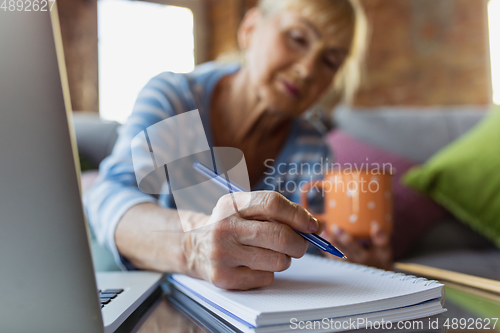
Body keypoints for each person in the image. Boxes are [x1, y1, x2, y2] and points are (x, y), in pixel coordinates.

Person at [85, 0, 391, 291]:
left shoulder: (312, 148)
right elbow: (109, 196)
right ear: (250, 29)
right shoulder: (176, 100)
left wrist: (355, 262)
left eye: (329, 61)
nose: (308, 70)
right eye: (298, 38)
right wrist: (192, 246)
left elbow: (305, 253)